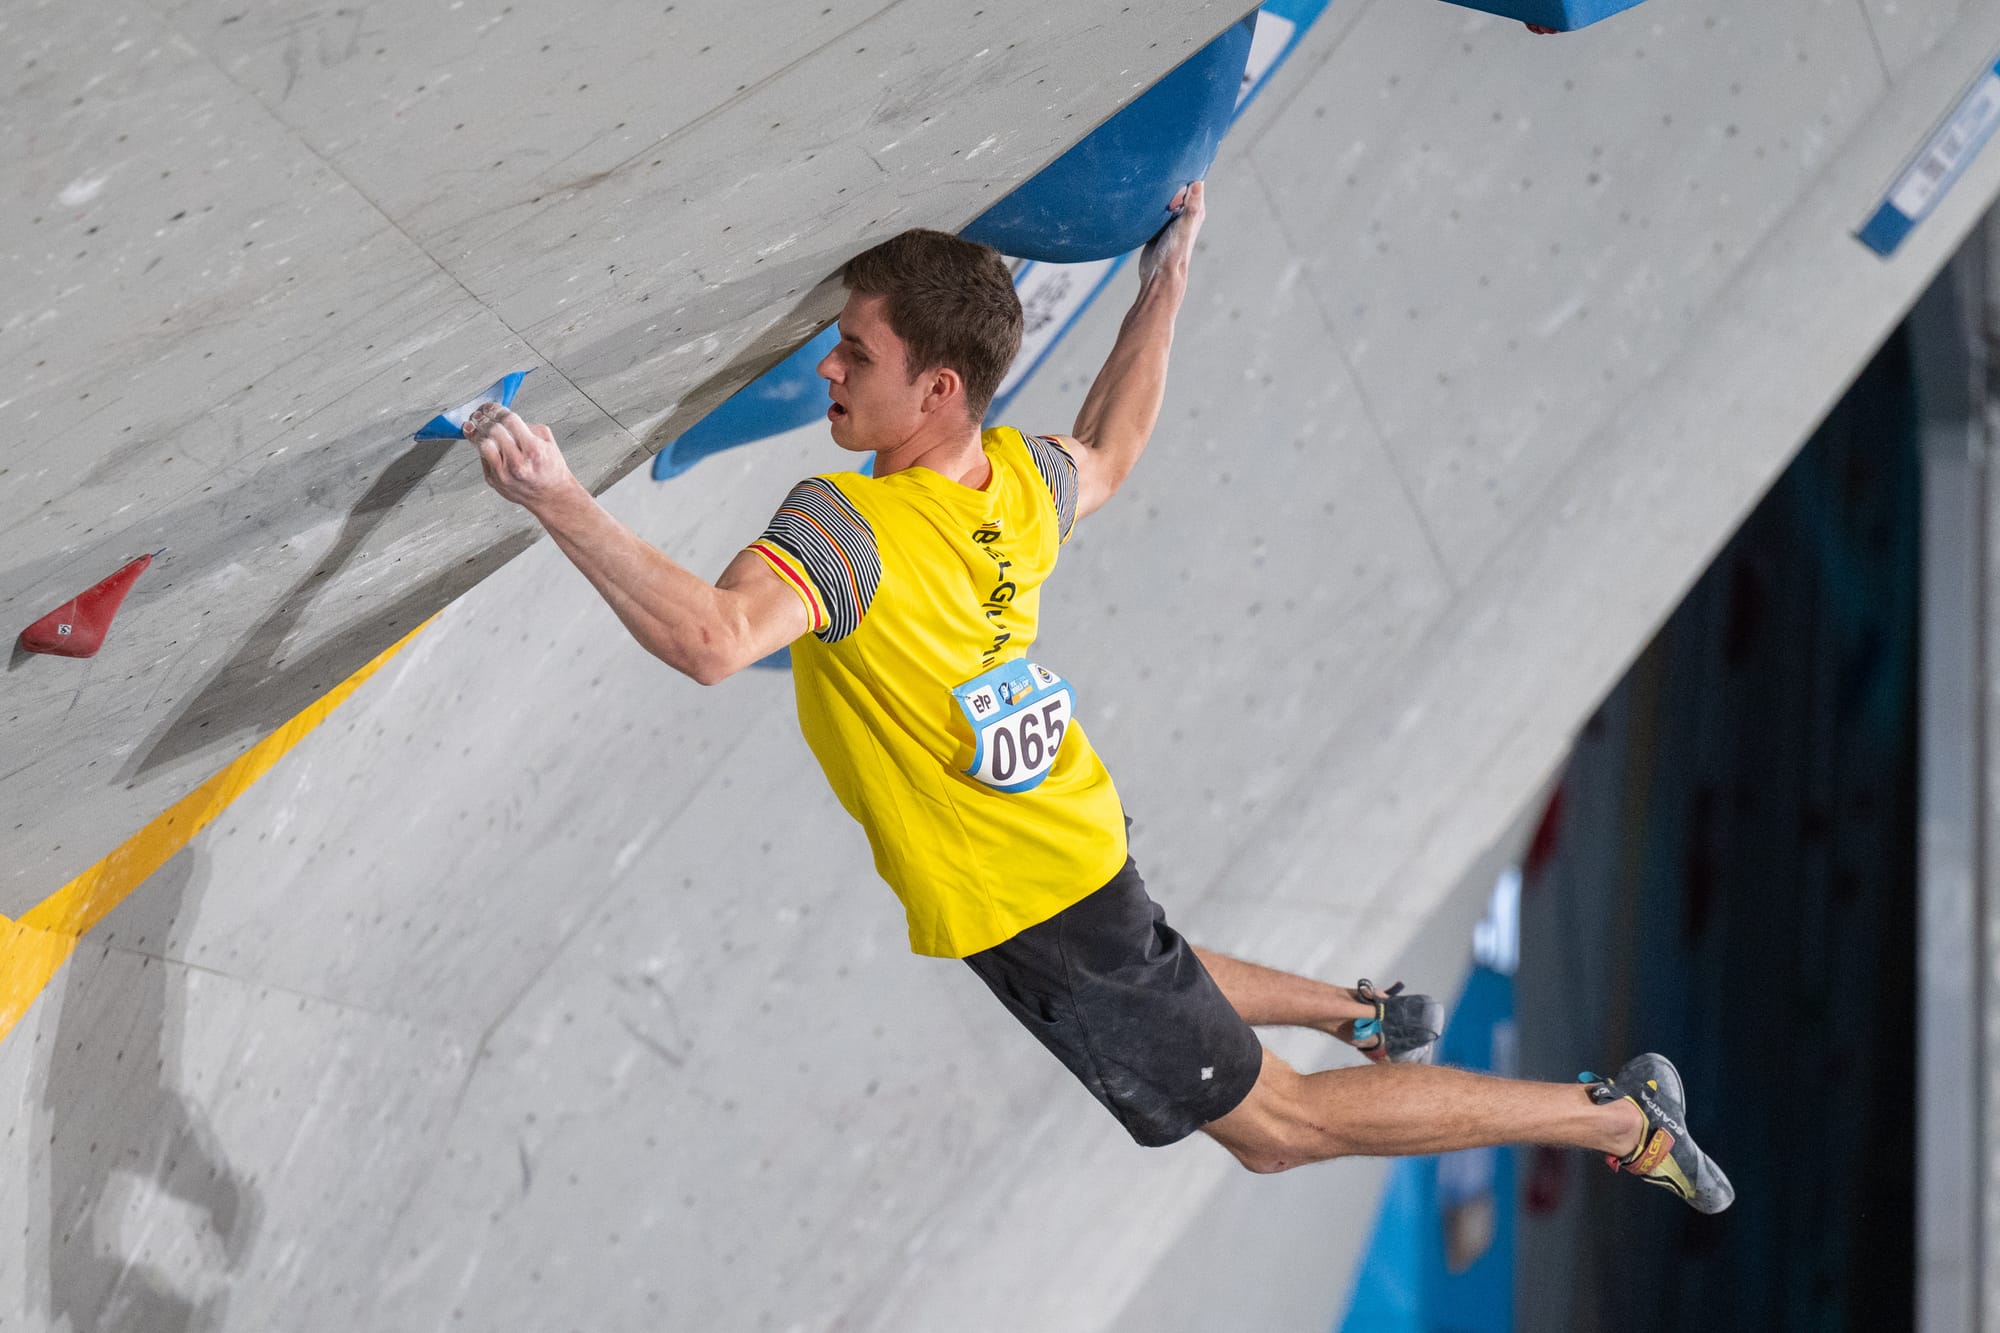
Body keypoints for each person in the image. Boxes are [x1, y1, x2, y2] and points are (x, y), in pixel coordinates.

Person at [463, 181, 1732, 1212]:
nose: (826, 375)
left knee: (1275, 1131)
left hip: (1032, 887)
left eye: (855, 353)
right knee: (1153, 960)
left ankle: (1611, 1122)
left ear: (935, 389)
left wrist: (557, 497)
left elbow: (709, 640)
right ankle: (1370, 1012)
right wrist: (1164, 288)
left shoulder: (846, 529)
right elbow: (1115, 444)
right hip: (1065, 833)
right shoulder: (1012, 477)